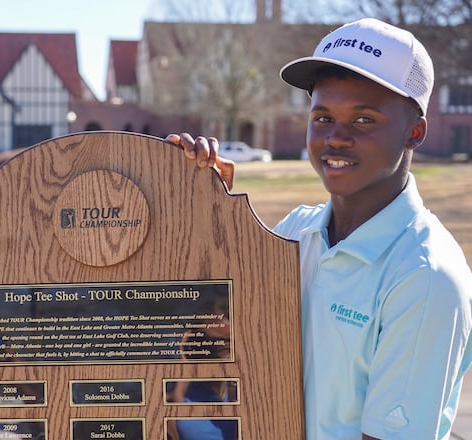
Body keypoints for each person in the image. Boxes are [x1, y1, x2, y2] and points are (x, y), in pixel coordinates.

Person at [169, 18, 472, 439]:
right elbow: (217, 337)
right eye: (323, 117)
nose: (336, 138)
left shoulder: (424, 276)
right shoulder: (297, 232)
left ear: (414, 132)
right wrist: (202, 214)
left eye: (364, 120)